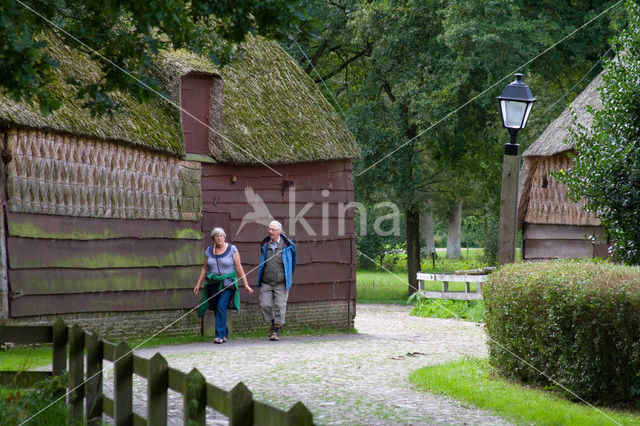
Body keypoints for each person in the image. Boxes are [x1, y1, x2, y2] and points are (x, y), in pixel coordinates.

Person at [194, 227, 253, 344]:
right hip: (213, 283)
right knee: (216, 308)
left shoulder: (232, 249)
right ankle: (224, 332)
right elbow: (205, 267)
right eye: (217, 236)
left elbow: (239, 267)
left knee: (221, 306)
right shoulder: (209, 251)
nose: (219, 238)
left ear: (224, 237)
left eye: (221, 236)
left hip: (227, 283)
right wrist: (198, 283)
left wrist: (245, 284)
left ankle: (219, 336)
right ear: (213, 239)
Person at [257, 220, 296, 341]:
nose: (270, 232)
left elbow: (293, 262)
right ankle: (274, 322)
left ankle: (275, 331)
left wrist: (288, 276)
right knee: (265, 305)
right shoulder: (265, 245)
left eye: (273, 230)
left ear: (279, 231)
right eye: (269, 229)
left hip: (281, 283)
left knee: (280, 306)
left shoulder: (288, 246)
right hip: (266, 282)